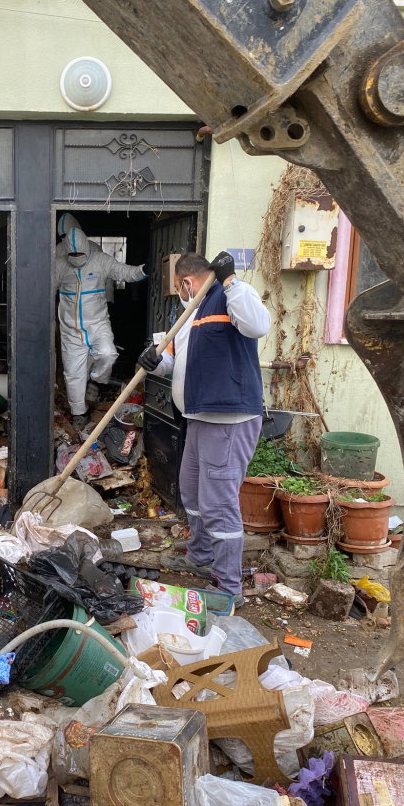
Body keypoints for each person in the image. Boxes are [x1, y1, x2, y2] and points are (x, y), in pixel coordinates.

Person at [137, 251, 271, 607]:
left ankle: (228, 587)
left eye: (177, 288)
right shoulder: (188, 314)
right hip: (197, 418)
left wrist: (231, 281)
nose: (178, 294)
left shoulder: (230, 296)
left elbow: (258, 326)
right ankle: (200, 556)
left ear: (186, 282)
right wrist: (153, 360)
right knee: (192, 492)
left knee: (218, 503)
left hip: (228, 420)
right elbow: (171, 359)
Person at [56, 212, 148, 428]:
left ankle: (97, 380)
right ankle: (79, 413)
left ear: (87, 249)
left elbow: (124, 272)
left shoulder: (100, 260)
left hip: (98, 325)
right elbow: (44, 288)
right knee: (73, 375)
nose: (77, 257)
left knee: (107, 353)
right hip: (71, 330)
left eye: (80, 253)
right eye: (73, 254)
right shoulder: (59, 265)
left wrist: (143, 270)